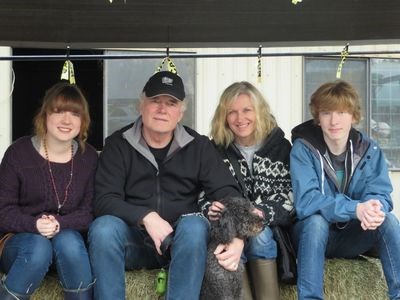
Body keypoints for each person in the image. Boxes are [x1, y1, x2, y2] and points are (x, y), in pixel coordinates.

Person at [88, 71, 242, 300]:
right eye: (155, 101)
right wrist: (146, 216)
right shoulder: (118, 144)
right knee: (103, 228)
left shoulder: (198, 146)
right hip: (134, 242)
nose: (162, 109)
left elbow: (229, 194)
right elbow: (103, 199)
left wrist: (237, 237)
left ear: (181, 112)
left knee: (195, 225)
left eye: (171, 103)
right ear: (141, 105)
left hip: (182, 245)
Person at [290, 80, 400, 300]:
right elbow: (307, 201)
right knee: (315, 221)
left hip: (351, 236)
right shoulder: (303, 149)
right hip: (311, 237)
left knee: (387, 219)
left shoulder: (369, 149)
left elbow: (380, 193)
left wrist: (372, 209)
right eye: (326, 113)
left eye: (341, 112)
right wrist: (355, 209)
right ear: (317, 118)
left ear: (354, 116)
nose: (334, 121)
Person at [0, 81, 98, 299]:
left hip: (69, 250)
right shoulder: (19, 152)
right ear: (45, 115)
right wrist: (35, 225)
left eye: (75, 113)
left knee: (69, 241)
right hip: (21, 246)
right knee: (39, 247)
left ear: (83, 121)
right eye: (59, 111)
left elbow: (91, 211)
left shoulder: (89, 157)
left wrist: (59, 224)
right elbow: (3, 210)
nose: (66, 120)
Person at [205, 81, 294, 300]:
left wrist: (249, 224)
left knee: (261, 237)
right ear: (223, 117)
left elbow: (288, 198)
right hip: (225, 226)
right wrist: (209, 207)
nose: (239, 118)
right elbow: (202, 193)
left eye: (247, 110)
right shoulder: (213, 150)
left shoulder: (281, 148)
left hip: (267, 225)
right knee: (224, 247)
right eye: (232, 112)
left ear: (259, 112)